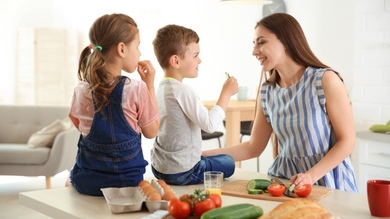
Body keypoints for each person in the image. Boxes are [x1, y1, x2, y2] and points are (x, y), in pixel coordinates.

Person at [203, 13, 358, 192]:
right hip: (285, 183)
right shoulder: (267, 92)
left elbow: (347, 141)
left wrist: (310, 176)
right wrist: (203, 155)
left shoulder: (325, 80)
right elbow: (253, 147)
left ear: (286, 41)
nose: (254, 52)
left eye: (261, 42)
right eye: (254, 45)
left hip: (328, 182)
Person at [66, 13, 160, 196]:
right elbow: (152, 131)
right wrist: (150, 85)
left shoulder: (81, 90)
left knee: (69, 180)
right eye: (138, 45)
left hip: (87, 183)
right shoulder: (136, 88)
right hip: (127, 184)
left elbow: (79, 126)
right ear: (122, 49)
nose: (140, 52)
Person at [150, 24, 238, 185]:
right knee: (228, 162)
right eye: (196, 55)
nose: (200, 60)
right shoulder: (183, 90)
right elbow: (210, 125)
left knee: (212, 157)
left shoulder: (161, 88)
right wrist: (226, 93)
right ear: (176, 61)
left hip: (159, 168)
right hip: (183, 172)